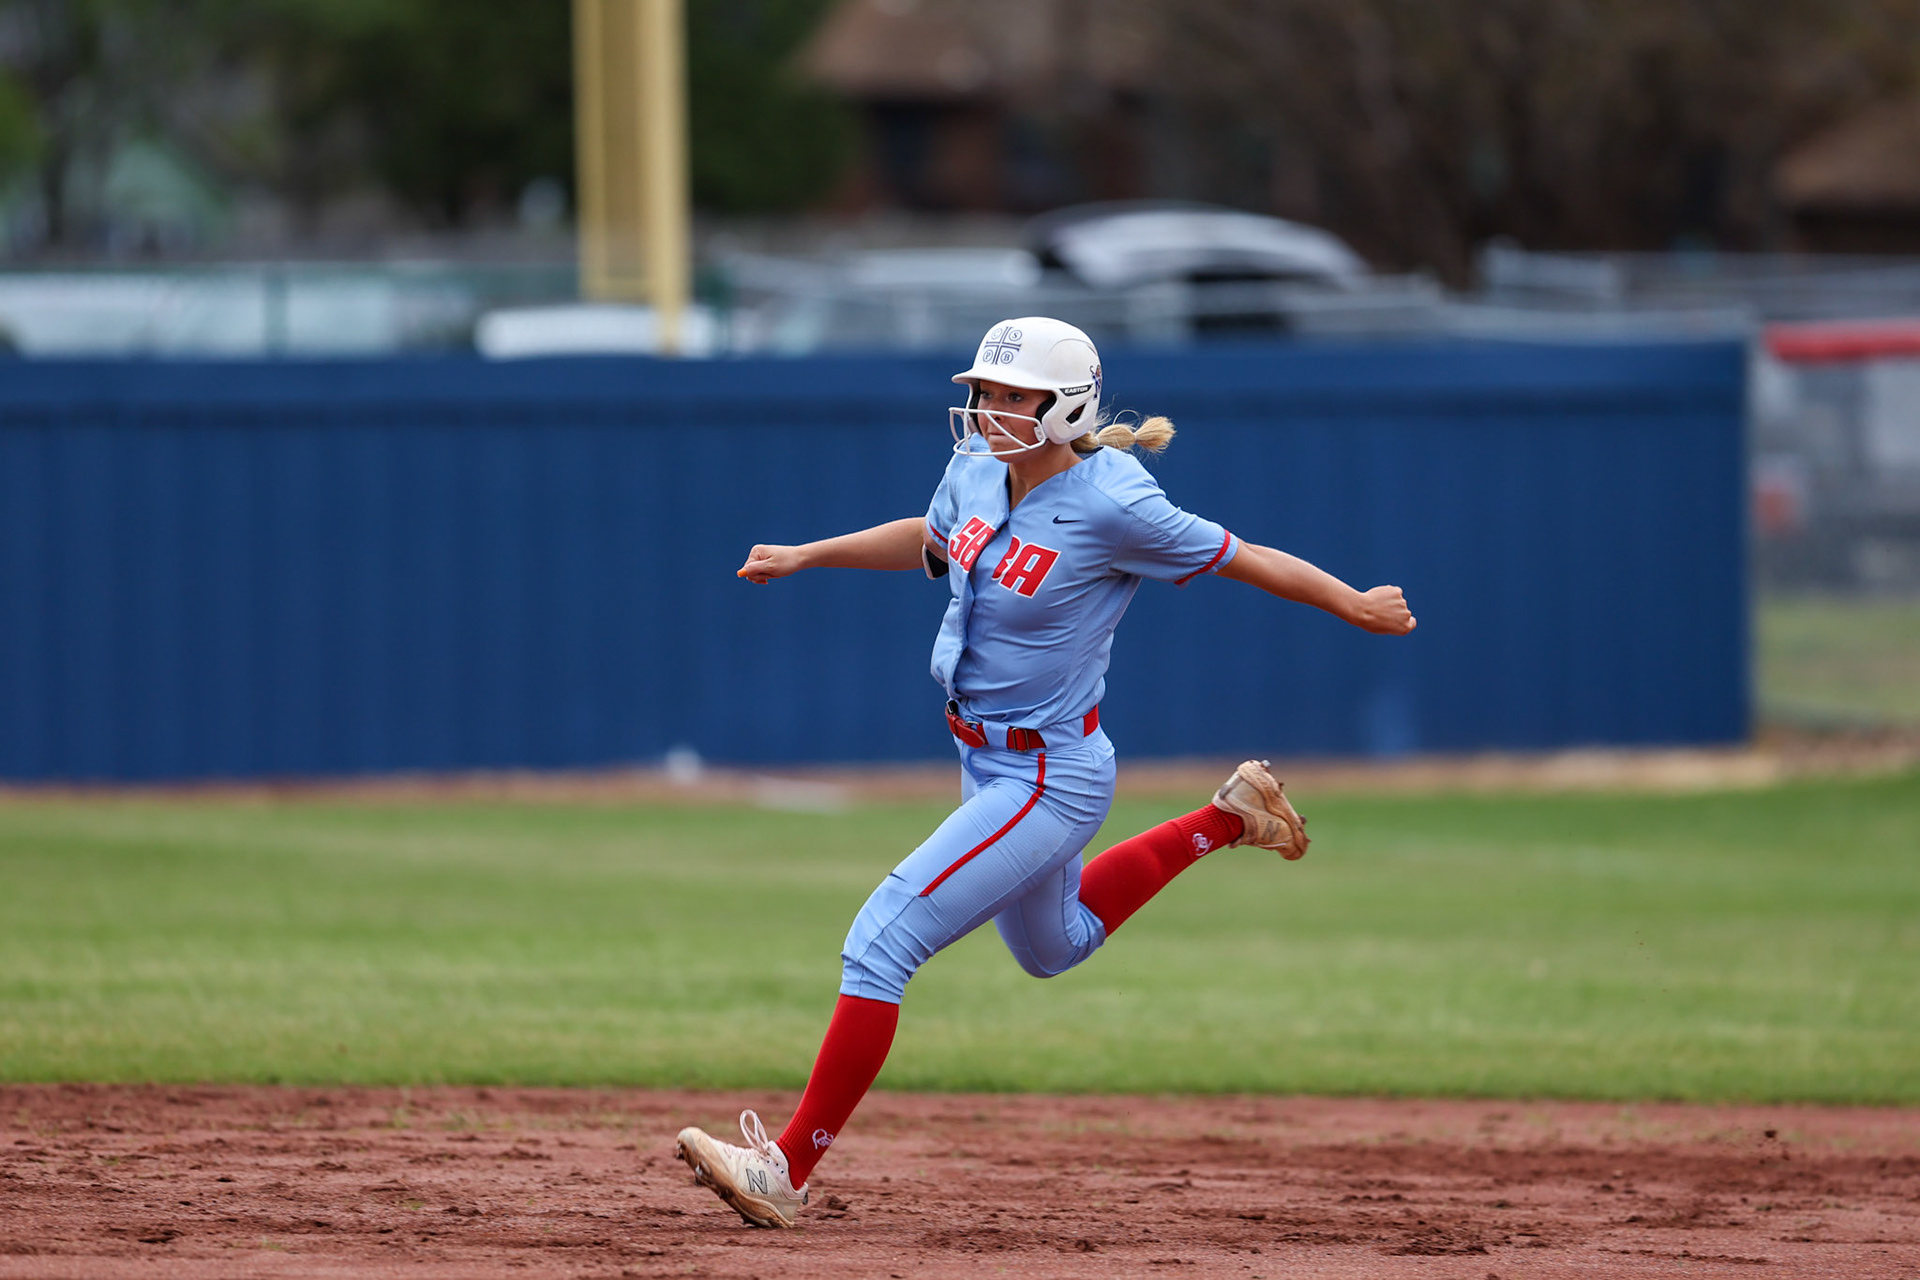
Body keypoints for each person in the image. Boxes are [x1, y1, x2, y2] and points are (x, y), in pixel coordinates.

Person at [675, 316, 1416, 1227]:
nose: (988, 409)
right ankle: (1228, 817)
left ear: (1066, 405)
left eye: (1011, 395)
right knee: (1051, 947)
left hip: (1048, 777)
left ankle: (784, 1169)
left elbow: (1243, 557)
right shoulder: (977, 472)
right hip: (985, 759)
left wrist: (1351, 603)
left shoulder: (1116, 503)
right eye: (982, 391)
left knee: (881, 941)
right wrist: (810, 554)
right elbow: (931, 537)